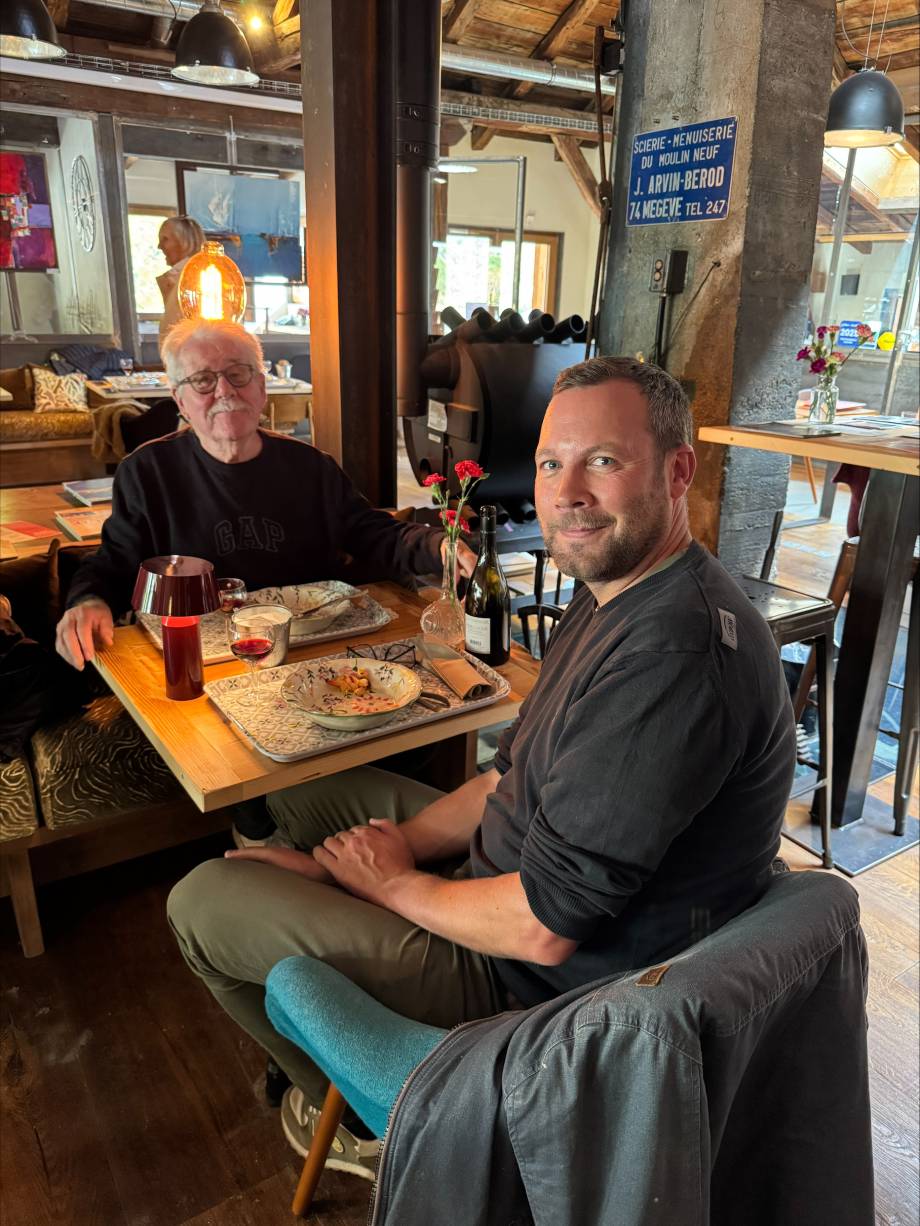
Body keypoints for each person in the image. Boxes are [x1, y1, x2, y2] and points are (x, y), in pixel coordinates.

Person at [167, 356, 796, 1179]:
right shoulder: (617, 590)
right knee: (313, 783)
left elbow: (543, 926)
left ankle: (365, 1116)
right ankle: (328, 920)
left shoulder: (672, 654)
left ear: (679, 471)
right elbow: (507, 778)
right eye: (549, 463)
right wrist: (372, 858)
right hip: (499, 885)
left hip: (531, 989)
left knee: (200, 902)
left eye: (602, 461)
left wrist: (385, 882)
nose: (566, 491)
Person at [55, 318, 468, 840]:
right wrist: (87, 598)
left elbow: (372, 533)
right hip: (214, 665)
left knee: (423, 716)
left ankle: (391, 844)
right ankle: (265, 844)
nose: (224, 391)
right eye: (203, 381)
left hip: (320, 653)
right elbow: (115, 562)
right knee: (249, 766)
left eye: (239, 374)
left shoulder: (312, 467)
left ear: (263, 387)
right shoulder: (148, 472)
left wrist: (438, 544)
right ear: (179, 399)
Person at [156, 216, 205, 346]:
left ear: (185, 242)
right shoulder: (177, 277)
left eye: (165, 239)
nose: (159, 246)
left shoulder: (193, 278)